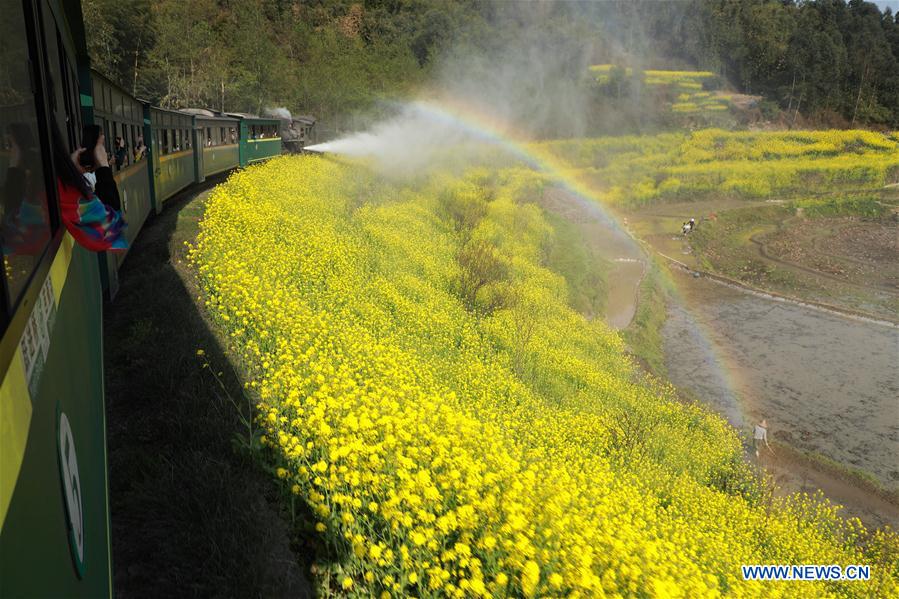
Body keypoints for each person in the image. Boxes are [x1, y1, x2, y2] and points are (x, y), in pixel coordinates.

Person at [53, 121, 127, 252]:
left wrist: (72, 172)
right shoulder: (60, 190)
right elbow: (111, 230)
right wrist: (103, 166)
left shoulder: (48, 187)